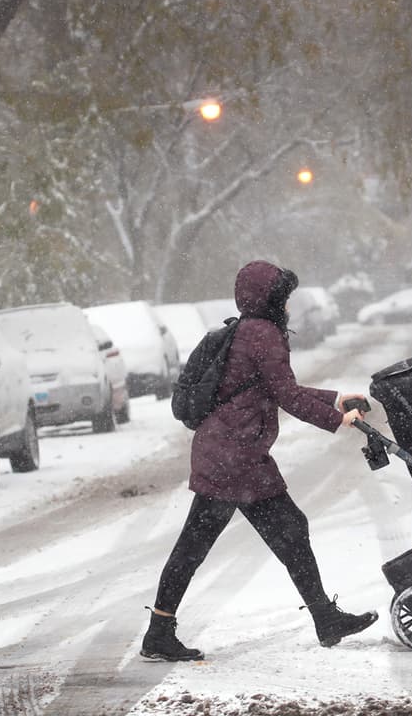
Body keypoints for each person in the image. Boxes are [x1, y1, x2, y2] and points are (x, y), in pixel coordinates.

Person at [141, 260, 378, 661]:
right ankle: (160, 632)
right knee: (201, 544)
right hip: (233, 457)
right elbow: (287, 395)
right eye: (283, 298)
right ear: (270, 298)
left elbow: (280, 386)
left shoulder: (249, 331)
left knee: (282, 530)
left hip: (233, 453)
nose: (287, 306)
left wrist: (335, 399)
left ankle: (324, 618)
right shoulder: (262, 334)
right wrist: (339, 420)